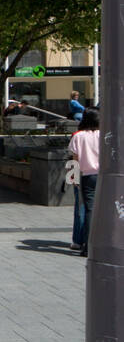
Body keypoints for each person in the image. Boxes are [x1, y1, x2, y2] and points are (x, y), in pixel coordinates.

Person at [69, 109, 100, 257]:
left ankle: (87, 246)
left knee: (89, 210)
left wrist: (74, 178)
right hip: (105, 176)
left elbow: (74, 159)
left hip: (87, 176)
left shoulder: (78, 136)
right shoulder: (105, 135)